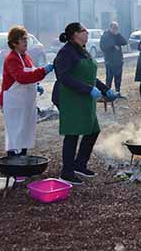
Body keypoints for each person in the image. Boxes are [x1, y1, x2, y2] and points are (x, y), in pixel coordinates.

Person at [52, 22, 117, 185]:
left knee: (92, 130)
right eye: (83, 31)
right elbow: (63, 77)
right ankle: (67, 172)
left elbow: (89, 76)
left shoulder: (83, 51)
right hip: (69, 97)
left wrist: (105, 89)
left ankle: (80, 164)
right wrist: (88, 89)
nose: (87, 33)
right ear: (74, 34)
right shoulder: (66, 52)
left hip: (84, 97)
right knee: (72, 134)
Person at [0, 25, 54, 157]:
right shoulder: (12, 58)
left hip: (25, 102)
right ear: (13, 43)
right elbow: (22, 78)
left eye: (26, 39)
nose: (26, 42)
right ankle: (14, 167)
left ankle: (22, 162)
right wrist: (43, 71)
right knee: (16, 134)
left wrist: (36, 84)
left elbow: (31, 73)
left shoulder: (25, 56)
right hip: (14, 103)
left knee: (25, 132)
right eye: (23, 39)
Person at [99, 21, 128, 97]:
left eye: (117, 28)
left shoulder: (117, 36)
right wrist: (113, 46)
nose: (115, 30)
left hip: (118, 60)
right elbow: (102, 47)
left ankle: (118, 93)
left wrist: (118, 35)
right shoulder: (105, 36)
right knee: (109, 78)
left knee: (118, 77)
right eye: (114, 28)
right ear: (110, 28)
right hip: (109, 60)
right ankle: (107, 93)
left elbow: (125, 42)